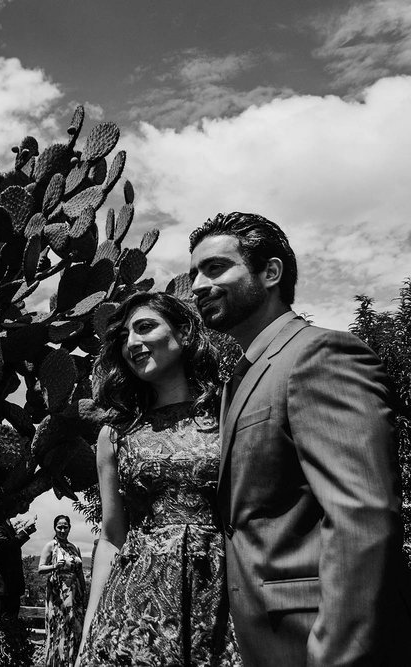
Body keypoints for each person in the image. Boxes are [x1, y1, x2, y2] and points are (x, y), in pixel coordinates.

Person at [188, 211, 411, 665]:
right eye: (193, 272)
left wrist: (335, 654)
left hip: (318, 641)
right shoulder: (241, 379)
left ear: (270, 272)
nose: (195, 285)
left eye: (214, 268)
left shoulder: (320, 355)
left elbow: (361, 518)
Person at [78, 292, 240, 666]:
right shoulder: (115, 435)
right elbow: (111, 536)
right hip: (133, 611)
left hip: (221, 599)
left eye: (145, 327)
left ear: (184, 333)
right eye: (124, 337)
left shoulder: (230, 414)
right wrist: (89, 623)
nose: (133, 342)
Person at [37, 514, 84, 667]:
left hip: (74, 594)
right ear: (55, 528)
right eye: (59, 527)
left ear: (70, 528)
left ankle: (72, 661)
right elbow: (40, 569)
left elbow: (80, 573)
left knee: (75, 628)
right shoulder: (51, 546)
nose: (62, 530)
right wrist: (54, 567)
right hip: (58, 594)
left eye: (65, 527)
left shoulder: (74, 548)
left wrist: (83, 592)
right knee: (60, 627)